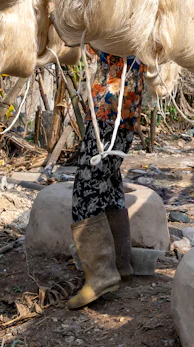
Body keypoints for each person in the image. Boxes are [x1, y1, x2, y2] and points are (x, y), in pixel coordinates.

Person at [67, 46, 145, 309]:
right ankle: (121, 264)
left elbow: (87, 37)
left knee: (86, 187)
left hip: (108, 108)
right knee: (109, 183)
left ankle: (100, 276)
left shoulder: (117, 24)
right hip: (125, 108)